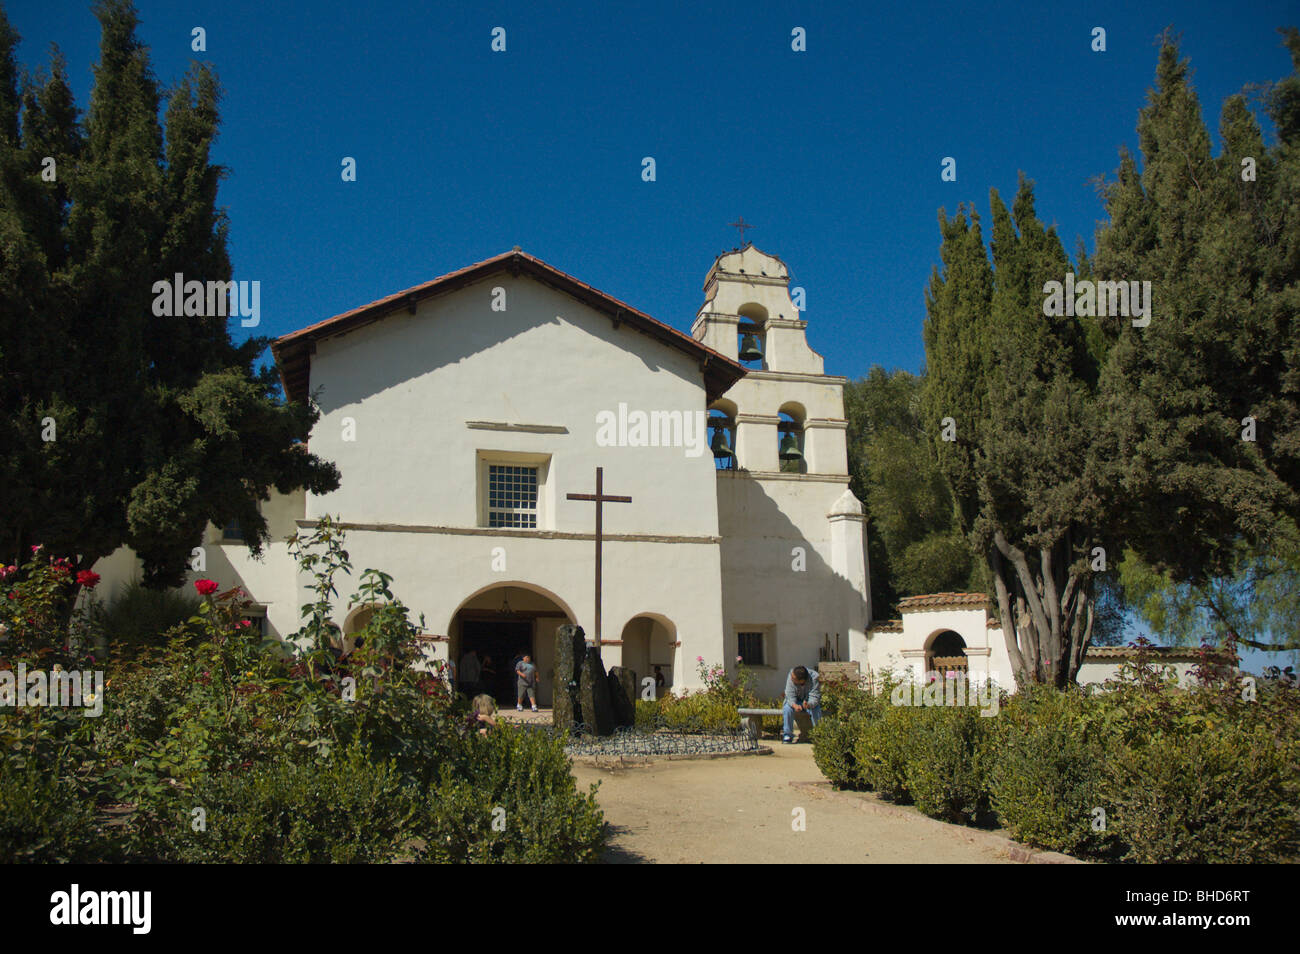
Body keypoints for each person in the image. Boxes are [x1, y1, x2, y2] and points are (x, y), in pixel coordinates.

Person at [782, 665, 822, 744]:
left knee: (816, 710)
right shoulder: (791, 674)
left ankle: (818, 735)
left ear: (802, 681)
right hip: (795, 701)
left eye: (794, 679)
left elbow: (815, 697)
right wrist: (794, 705)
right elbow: (789, 696)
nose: (791, 679)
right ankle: (788, 735)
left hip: (809, 702)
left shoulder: (814, 678)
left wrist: (809, 704)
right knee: (787, 708)